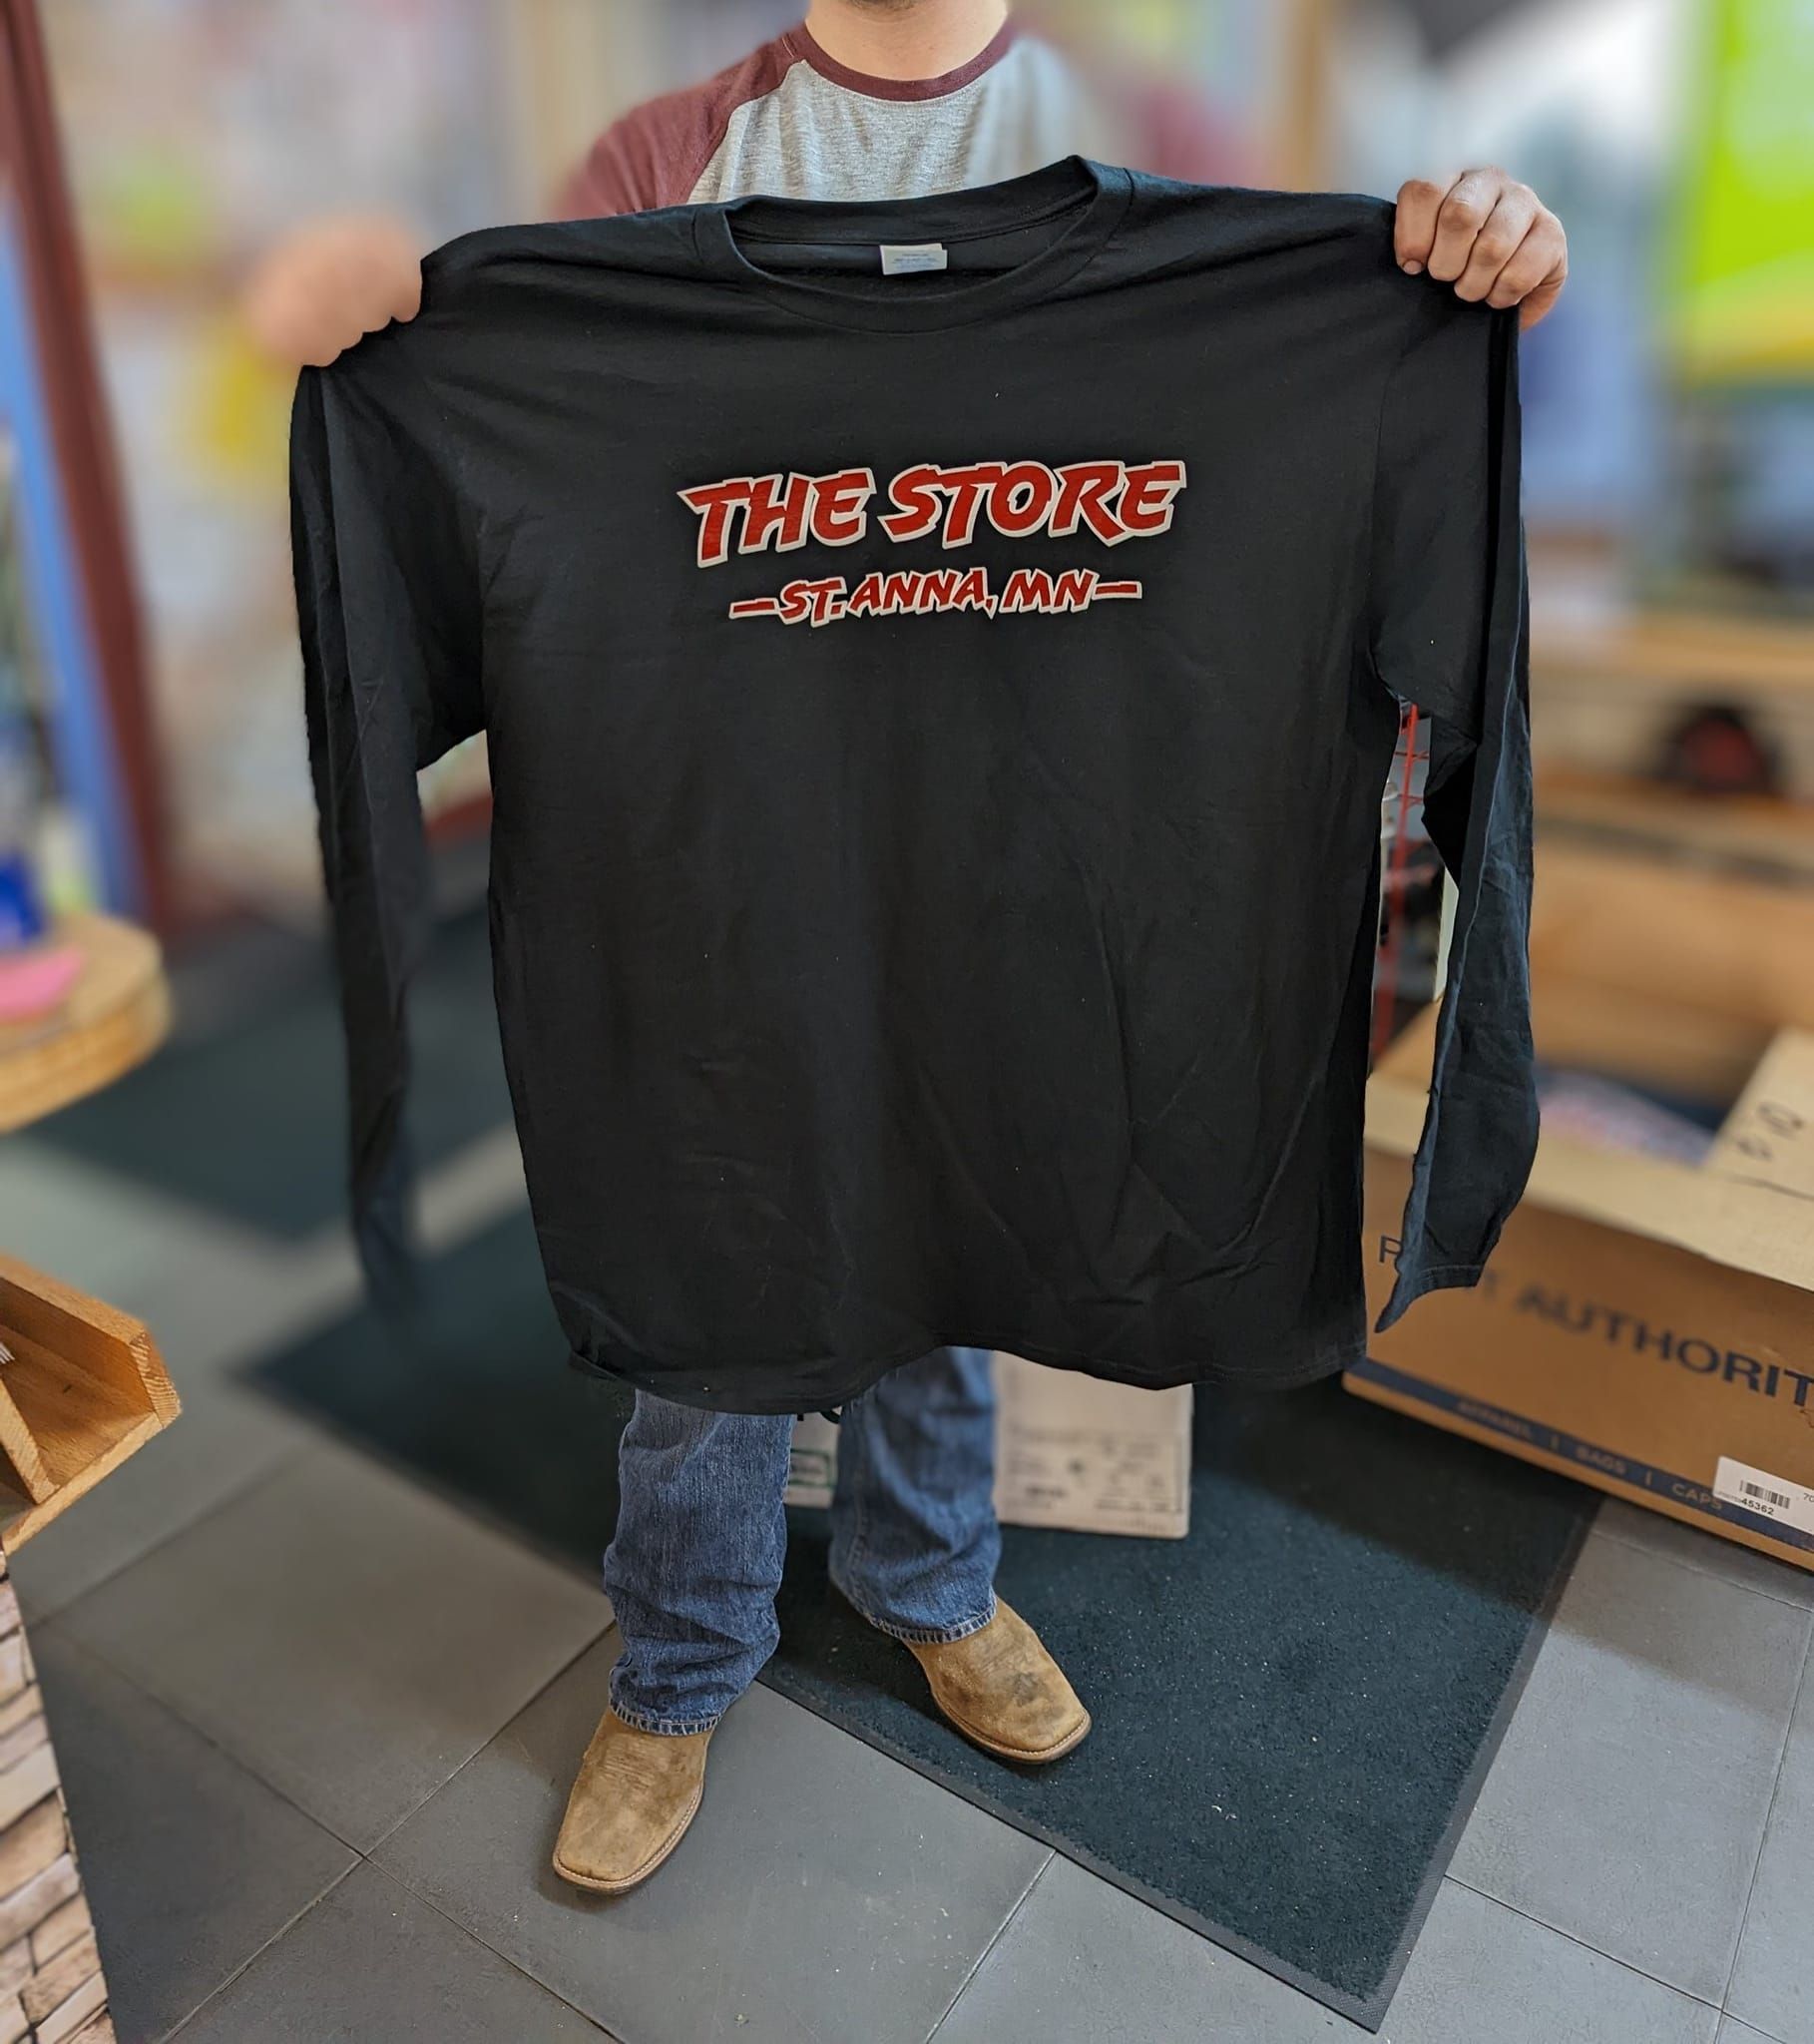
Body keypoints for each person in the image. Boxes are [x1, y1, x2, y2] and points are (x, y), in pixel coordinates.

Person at [251, 0, 1569, 1896]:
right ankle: (682, 1662)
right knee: (717, 1293)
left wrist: (1487, 259)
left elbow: (1418, 382)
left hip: (1034, 890)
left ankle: (924, 1581)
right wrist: (360, 308)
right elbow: (459, 437)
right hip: (725, 905)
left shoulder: (1175, 145)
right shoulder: (657, 160)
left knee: (955, 1228)